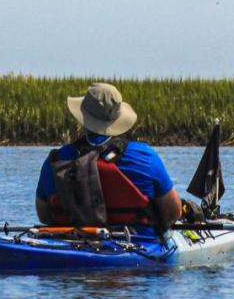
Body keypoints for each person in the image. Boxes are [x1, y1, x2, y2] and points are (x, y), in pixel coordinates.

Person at [35, 83, 182, 232]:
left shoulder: (56, 159)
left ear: (83, 117)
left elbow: (44, 215)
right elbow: (173, 213)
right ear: (117, 120)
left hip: (71, 244)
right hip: (138, 244)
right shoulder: (146, 157)